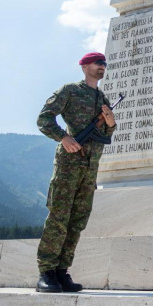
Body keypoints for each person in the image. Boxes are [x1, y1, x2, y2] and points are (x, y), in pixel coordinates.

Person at [35, 51, 116, 293]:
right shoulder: (70, 90)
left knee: (77, 221)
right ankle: (46, 272)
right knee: (59, 217)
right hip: (69, 165)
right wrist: (64, 137)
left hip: (90, 169)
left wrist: (110, 122)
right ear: (84, 66)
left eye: (103, 63)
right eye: (97, 63)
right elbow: (44, 119)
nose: (102, 66)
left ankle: (62, 272)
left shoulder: (102, 98)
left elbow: (106, 136)